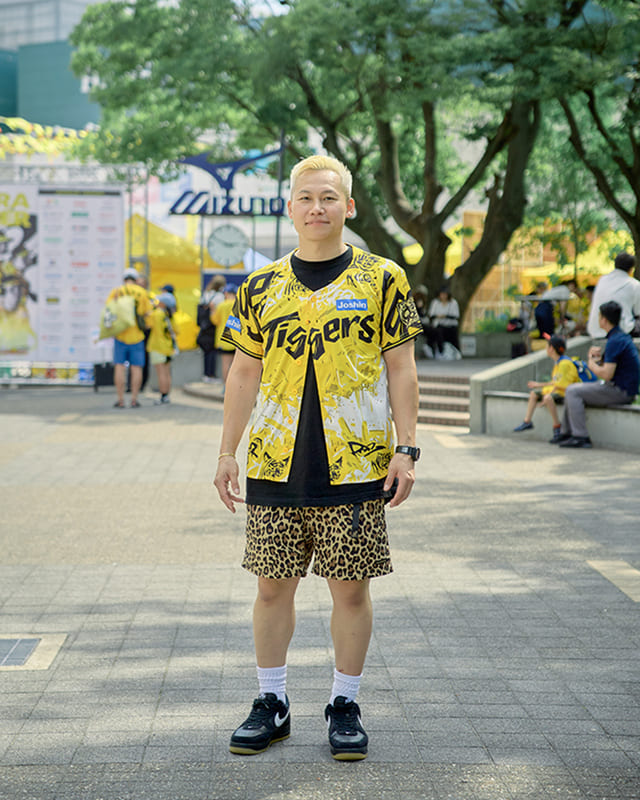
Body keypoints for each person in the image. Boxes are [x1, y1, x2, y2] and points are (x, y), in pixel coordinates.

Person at [213, 154, 422, 761]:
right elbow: (243, 373)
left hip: (356, 463)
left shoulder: (382, 278)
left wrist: (406, 449)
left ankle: (344, 704)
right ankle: (271, 701)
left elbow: (402, 368)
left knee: (349, 592)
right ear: (290, 208)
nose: (317, 208)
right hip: (274, 460)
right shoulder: (260, 286)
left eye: (329, 197)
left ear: (348, 207)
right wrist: (226, 452)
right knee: (271, 589)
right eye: (306, 198)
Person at [557, 300, 640, 448]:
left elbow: (607, 374)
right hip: (623, 388)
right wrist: (598, 359)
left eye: (599, 316)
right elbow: (613, 367)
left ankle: (580, 436)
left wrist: (591, 364)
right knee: (573, 389)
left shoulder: (615, 341)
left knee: (572, 391)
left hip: (620, 391)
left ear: (604, 320)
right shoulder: (620, 337)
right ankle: (565, 433)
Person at [512, 334, 580, 442]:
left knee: (548, 398)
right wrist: (538, 385)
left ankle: (557, 427)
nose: (546, 349)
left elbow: (561, 386)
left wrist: (546, 395)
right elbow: (556, 382)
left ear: (551, 348)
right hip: (559, 390)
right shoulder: (559, 362)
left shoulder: (564, 364)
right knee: (534, 393)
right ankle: (527, 421)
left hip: (565, 392)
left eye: (547, 346)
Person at [107, 268, 153, 408]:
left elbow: (108, 311)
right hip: (137, 336)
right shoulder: (142, 292)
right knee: (136, 368)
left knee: (119, 367)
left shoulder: (116, 292)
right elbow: (148, 315)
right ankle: (134, 399)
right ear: (135, 279)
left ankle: (120, 399)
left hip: (120, 335)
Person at [587, 252, 640, 338]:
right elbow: (638, 311)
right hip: (621, 329)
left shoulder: (602, 280)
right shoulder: (634, 284)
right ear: (631, 269)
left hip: (595, 330)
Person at [146, 291, 178, 405]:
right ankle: (167, 395)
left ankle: (163, 395)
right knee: (167, 372)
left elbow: (147, 325)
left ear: (163, 303)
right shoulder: (169, 315)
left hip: (157, 347)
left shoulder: (156, 314)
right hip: (168, 347)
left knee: (161, 373)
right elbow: (177, 330)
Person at [197, 274, 226, 382]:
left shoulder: (206, 294)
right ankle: (211, 375)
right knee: (212, 352)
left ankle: (206, 374)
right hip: (214, 326)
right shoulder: (220, 297)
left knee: (206, 352)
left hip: (204, 326)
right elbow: (218, 315)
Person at [209, 283, 237, 386]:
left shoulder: (222, 305)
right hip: (237, 338)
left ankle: (226, 386)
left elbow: (215, 321)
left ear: (226, 293)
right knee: (235, 365)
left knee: (226, 363)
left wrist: (212, 310)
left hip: (224, 338)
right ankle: (234, 386)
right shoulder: (239, 305)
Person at [426, 286, 460, 357]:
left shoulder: (453, 302)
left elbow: (456, 315)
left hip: (450, 325)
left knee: (453, 333)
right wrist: (439, 316)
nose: (443, 296)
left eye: (445, 294)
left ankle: (457, 350)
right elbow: (431, 315)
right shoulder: (435, 302)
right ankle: (441, 351)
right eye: (442, 294)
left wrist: (444, 316)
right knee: (438, 332)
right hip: (439, 325)